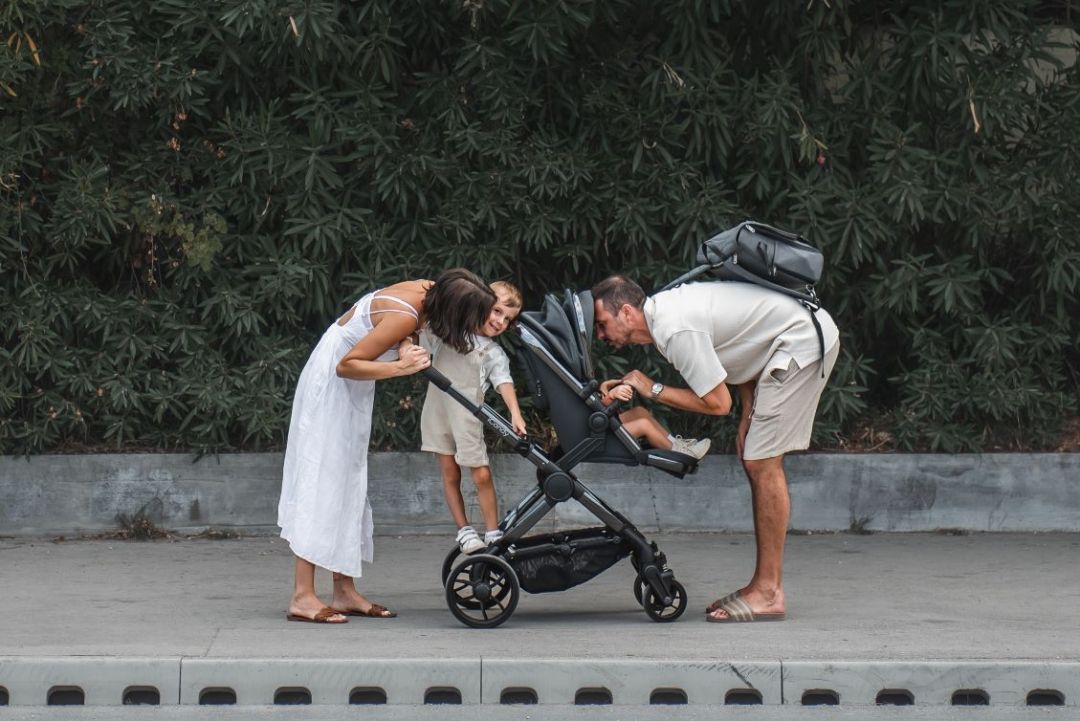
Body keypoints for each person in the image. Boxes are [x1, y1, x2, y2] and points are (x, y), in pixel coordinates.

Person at [591, 274, 840, 623]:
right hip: (787, 341)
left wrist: (652, 388)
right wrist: (748, 413)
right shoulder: (667, 316)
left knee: (762, 465)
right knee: (754, 458)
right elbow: (744, 345)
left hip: (801, 343)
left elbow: (716, 402)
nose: (600, 335)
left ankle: (768, 592)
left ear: (628, 313)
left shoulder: (675, 330)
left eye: (602, 325)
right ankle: (762, 585)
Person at [277, 269, 496, 623]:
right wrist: (401, 367)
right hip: (333, 387)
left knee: (349, 482)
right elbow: (346, 366)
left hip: (350, 391)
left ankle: (343, 590)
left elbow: (397, 331)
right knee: (324, 482)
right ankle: (302, 595)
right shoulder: (405, 313)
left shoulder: (427, 291)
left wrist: (406, 344)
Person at [420, 281, 527, 554]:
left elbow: (504, 381)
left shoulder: (492, 352)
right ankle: (464, 531)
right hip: (437, 410)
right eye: (497, 311)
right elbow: (419, 331)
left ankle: (493, 532)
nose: (501, 321)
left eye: (508, 319)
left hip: (467, 416)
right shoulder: (447, 332)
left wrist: (515, 413)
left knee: (480, 472)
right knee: (449, 471)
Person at [597, 379, 711, 459]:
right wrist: (609, 397)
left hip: (597, 424)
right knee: (643, 425)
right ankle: (683, 454)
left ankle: (675, 444)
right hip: (594, 434)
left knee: (639, 412)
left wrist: (603, 390)